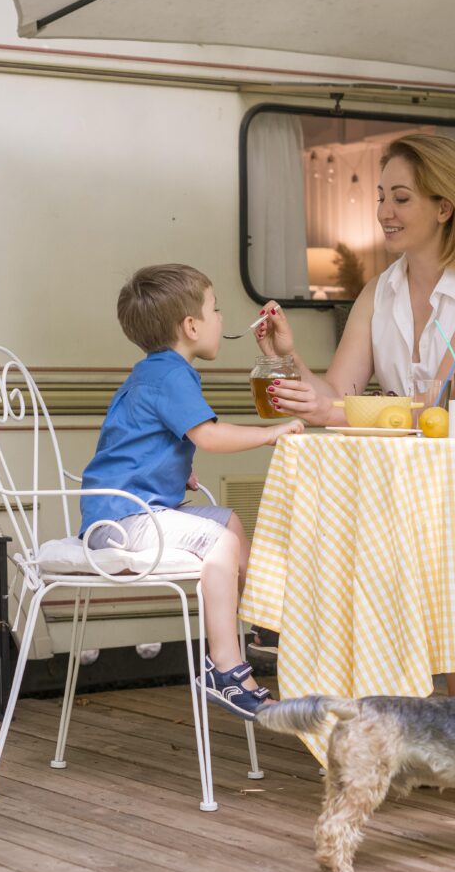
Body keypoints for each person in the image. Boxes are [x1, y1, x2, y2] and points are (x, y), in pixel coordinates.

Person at [254, 133, 455, 694]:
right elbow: (339, 390)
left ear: (445, 207)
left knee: (438, 574)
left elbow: (448, 405)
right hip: (412, 484)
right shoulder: (380, 290)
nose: (384, 212)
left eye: (401, 198)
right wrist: (288, 358)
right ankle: (386, 704)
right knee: (362, 556)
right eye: (381, 197)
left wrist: (331, 409)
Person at [79, 263, 303, 719]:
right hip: (121, 521)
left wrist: (170, 470)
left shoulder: (155, 372)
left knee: (228, 522)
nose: (221, 318)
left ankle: (264, 621)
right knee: (219, 542)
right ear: (191, 326)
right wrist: (270, 433)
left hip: (131, 510)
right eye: (215, 309)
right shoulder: (171, 376)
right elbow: (209, 436)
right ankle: (226, 669)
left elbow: (138, 438)